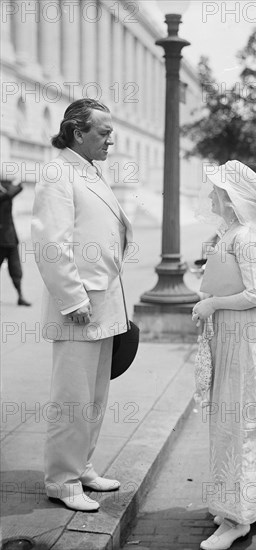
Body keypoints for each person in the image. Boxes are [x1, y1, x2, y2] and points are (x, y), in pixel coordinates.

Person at [31, 98, 133, 512]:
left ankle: (82, 465)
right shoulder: (58, 172)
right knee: (71, 397)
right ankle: (62, 479)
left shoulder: (87, 170)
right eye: (104, 132)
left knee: (94, 396)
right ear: (77, 131)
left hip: (104, 301)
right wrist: (73, 299)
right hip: (79, 304)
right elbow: (50, 244)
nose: (112, 139)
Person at [192, 161, 256, 550]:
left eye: (216, 191)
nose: (210, 196)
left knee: (242, 422)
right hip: (238, 334)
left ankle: (238, 518)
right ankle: (241, 503)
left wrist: (212, 303)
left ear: (230, 198)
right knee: (235, 420)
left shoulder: (246, 236)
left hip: (249, 336)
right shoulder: (236, 233)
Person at [0, 178, 31, 306]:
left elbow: (16, 189)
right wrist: (16, 183)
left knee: (16, 270)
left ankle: (20, 296)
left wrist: (16, 183)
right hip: (1, 241)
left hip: (11, 239)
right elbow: (10, 193)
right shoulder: (4, 194)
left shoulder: (3, 187)